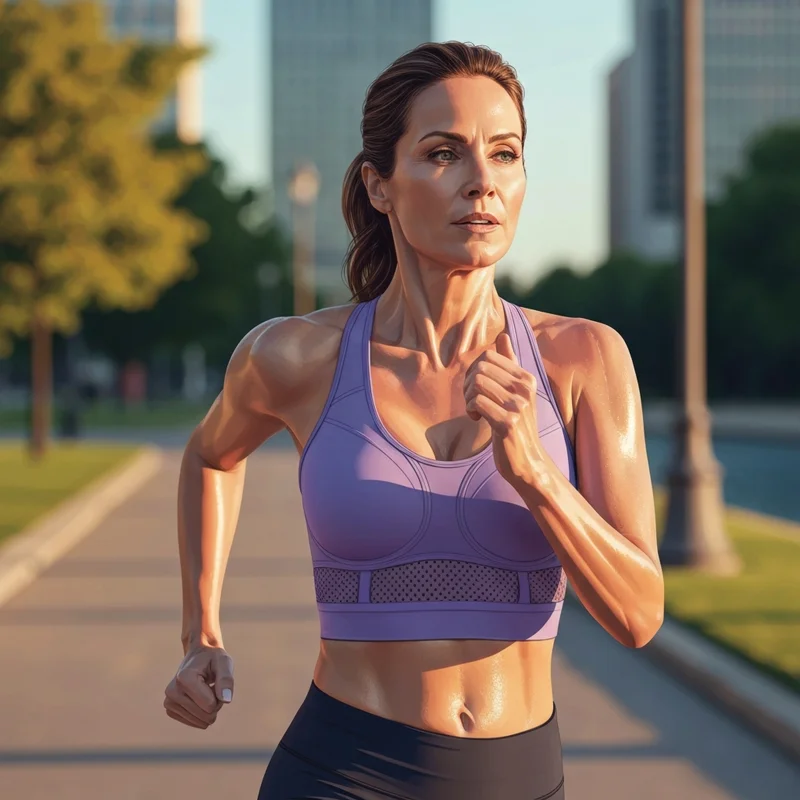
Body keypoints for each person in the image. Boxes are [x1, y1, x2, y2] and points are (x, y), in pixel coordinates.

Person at [163, 41, 664, 800]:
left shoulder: (583, 359)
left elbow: (638, 615)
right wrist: (202, 633)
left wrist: (534, 474)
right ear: (380, 186)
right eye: (444, 154)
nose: (482, 184)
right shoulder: (295, 357)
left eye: (504, 154)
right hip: (340, 769)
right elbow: (210, 457)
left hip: (518, 777)